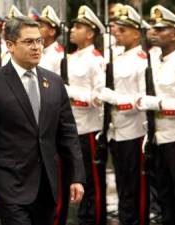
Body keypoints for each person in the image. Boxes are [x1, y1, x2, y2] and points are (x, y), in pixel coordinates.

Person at [0, 16, 85, 225]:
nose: (36, 47)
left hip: (46, 185)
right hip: (10, 184)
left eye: (39, 41)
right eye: (29, 42)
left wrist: (76, 176)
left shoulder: (54, 81)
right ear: (10, 46)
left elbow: (68, 134)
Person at [137, 5, 175, 225]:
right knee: (163, 194)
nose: (155, 32)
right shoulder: (153, 62)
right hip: (156, 136)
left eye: (161, 29)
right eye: (154, 28)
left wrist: (159, 103)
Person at [97, 4, 149, 225]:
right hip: (115, 130)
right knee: (121, 183)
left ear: (137, 33)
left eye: (123, 30)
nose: (117, 33)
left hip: (134, 130)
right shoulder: (116, 57)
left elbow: (143, 99)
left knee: (135, 185)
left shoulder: (142, 61)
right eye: (117, 29)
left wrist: (116, 100)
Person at [66, 5, 106, 225]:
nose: (72, 29)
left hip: (89, 126)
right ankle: (83, 217)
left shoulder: (95, 59)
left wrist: (71, 93)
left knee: (92, 181)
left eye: (78, 27)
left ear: (90, 34)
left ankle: (95, 219)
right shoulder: (71, 57)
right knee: (77, 179)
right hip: (72, 126)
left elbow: (99, 96)